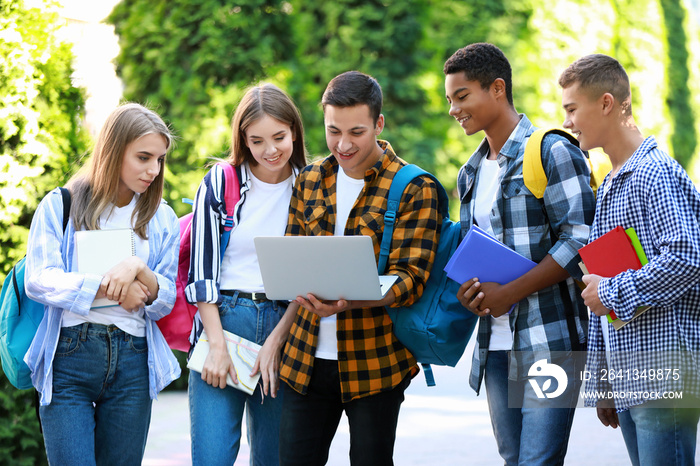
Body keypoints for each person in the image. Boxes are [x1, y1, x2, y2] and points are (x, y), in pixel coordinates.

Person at [275, 70, 441, 466]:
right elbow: (293, 253)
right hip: (305, 360)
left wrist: (348, 300)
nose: (343, 144)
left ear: (379, 124)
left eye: (356, 132)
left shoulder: (415, 188)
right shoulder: (310, 180)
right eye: (333, 131)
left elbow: (411, 278)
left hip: (376, 360)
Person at [443, 43, 595, 465]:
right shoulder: (469, 172)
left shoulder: (551, 151)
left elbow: (581, 240)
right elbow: (476, 252)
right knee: (514, 459)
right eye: (449, 99)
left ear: (496, 89)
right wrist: (471, 293)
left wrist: (511, 292)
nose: (454, 109)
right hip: (495, 345)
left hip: (551, 342)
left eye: (462, 96)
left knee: (537, 461)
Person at [559, 54, 700, 466]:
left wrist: (612, 290)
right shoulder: (610, 184)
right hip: (631, 379)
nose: (567, 121)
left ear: (606, 103)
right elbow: (600, 286)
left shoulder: (654, 173)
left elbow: (687, 258)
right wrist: (603, 379)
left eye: (572, 109)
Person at [23, 103, 181, 465]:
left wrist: (137, 267)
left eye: (159, 160)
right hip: (70, 360)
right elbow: (39, 278)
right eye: (143, 157)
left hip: (133, 361)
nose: (153, 170)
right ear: (113, 151)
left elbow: (166, 295)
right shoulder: (60, 204)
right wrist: (108, 286)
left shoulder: (161, 217)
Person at [185, 83, 308, 466]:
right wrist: (217, 345)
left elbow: (310, 275)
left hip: (285, 326)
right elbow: (202, 271)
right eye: (257, 141)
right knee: (212, 457)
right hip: (224, 320)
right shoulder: (222, 182)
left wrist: (277, 340)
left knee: (274, 458)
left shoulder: (312, 185)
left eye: (279, 137)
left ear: (294, 132)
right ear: (243, 140)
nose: (270, 150)